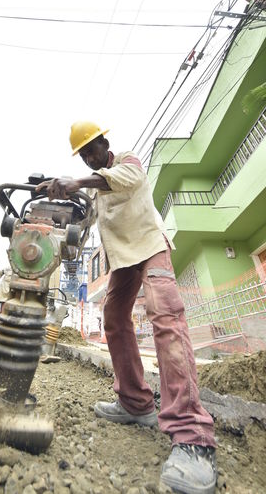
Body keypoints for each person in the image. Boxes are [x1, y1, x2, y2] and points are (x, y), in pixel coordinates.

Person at [37, 121, 217, 494]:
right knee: (114, 319)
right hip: (123, 260)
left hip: (150, 247)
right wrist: (57, 199)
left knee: (165, 315)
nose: (89, 158)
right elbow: (85, 219)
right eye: (83, 154)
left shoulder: (127, 162)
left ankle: (193, 436)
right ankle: (136, 403)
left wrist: (79, 182)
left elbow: (125, 178)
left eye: (92, 149)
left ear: (105, 142)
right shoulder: (97, 189)